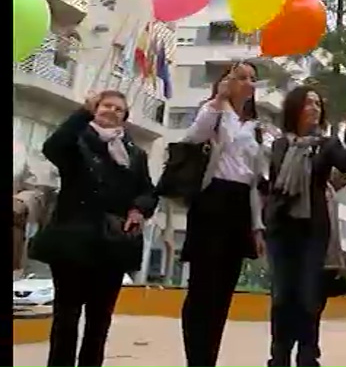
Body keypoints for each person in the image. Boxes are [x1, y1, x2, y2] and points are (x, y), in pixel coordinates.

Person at [34, 91, 157, 367]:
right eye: (106, 106)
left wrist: (138, 209)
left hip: (113, 244)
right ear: (95, 108)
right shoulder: (77, 141)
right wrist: (82, 113)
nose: (111, 111)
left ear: (125, 117)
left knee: (99, 321)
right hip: (72, 240)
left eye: (118, 109)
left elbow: (148, 190)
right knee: (66, 318)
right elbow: (53, 148)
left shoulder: (134, 153)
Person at [180, 62, 268, 367]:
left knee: (223, 292)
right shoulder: (214, 111)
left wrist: (257, 228)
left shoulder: (256, 126)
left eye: (252, 79)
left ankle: (209, 356)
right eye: (240, 77)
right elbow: (192, 138)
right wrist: (218, 100)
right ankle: (197, 358)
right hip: (211, 200)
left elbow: (256, 182)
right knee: (203, 288)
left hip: (241, 205)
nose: (247, 83)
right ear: (226, 81)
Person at [264, 86, 346, 367]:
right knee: (282, 296)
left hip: (313, 230)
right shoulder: (280, 145)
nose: (314, 108)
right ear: (295, 109)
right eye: (308, 103)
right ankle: (279, 355)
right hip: (281, 228)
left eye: (318, 103)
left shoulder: (327, 145)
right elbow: (273, 183)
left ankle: (308, 355)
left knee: (308, 296)